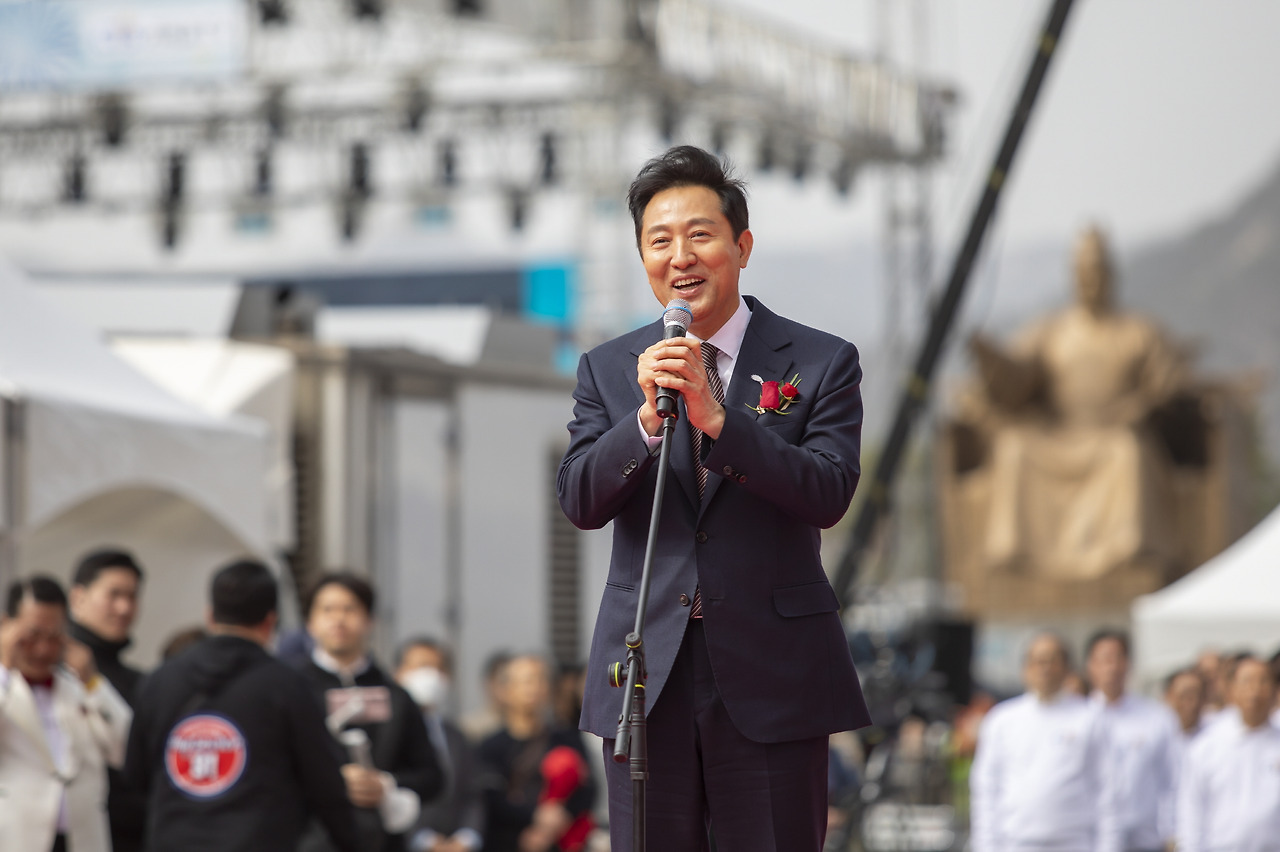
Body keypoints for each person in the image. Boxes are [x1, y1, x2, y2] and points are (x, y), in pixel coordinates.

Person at [557, 144, 869, 852]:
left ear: (742, 246)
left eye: (700, 235)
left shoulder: (820, 361)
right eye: (659, 241)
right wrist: (644, 421)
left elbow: (828, 491)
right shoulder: (609, 369)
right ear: (643, 257)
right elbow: (579, 499)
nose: (680, 257)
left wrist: (721, 422)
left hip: (773, 670)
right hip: (647, 674)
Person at [123, 559, 361, 852]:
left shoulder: (159, 681)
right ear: (270, 621)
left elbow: (136, 776)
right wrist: (350, 841)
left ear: (210, 615)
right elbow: (324, 784)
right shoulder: (287, 686)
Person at [297, 572, 444, 852]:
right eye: (327, 609)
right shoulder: (291, 689)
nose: (338, 619)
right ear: (310, 623)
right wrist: (331, 782)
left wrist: (386, 785)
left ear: (370, 620)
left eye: (349, 609)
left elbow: (432, 776)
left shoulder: (396, 696)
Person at [0, 576, 133, 852]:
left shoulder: (81, 687)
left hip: (82, 840)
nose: (43, 649)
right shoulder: (4, 686)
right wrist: (3, 667)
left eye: (54, 636)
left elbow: (126, 749)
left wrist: (93, 683)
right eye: (32, 635)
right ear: (6, 626)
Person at [970, 633, 1120, 852]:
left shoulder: (1090, 719)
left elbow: (1107, 792)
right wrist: (986, 846)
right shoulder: (1002, 720)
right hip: (1016, 843)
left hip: (1074, 843)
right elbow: (986, 790)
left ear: (1066, 668)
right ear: (1025, 668)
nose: (1045, 669)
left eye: (1052, 661)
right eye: (1038, 661)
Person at [68, 548, 148, 852]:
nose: (124, 608)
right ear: (78, 597)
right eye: (114, 594)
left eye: (132, 596)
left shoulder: (140, 682)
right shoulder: (51, 674)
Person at [477, 653, 595, 852]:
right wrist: (534, 816)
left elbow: (588, 788)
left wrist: (556, 821)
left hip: (560, 841)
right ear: (505, 690)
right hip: (508, 841)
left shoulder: (567, 738)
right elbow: (490, 798)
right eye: (527, 681)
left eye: (541, 680)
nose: (534, 688)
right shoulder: (490, 746)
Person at [1085, 629, 1179, 852]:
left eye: (1118, 658)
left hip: (1146, 840)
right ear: (1090, 666)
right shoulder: (1079, 719)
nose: (1112, 667)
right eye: (1104, 659)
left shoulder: (1156, 717)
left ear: (1128, 664)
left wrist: (1171, 831)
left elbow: (1172, 779)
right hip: (1091, 839)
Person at [1177, 655, 1280, 849]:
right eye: (1247, 682)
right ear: (1231, 690)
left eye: (1263, 681)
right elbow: (1191, 813)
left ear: (1275, 690)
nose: (1255, 690)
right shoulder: (1207, 746)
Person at [396, 637, 486, 852]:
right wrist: (424, 841)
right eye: (421, 667)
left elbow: (472, 793)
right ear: (398, 673)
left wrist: (466, 838)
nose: (430, 676)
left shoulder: (457, 736)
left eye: (437, 668)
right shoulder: (389, 734)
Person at [1164, 667, 1208, 742]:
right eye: (1186, 696)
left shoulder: (1214, 733)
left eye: (1199, 696)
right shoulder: (1156, 734)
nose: (1194, 703)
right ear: (1168, 696)